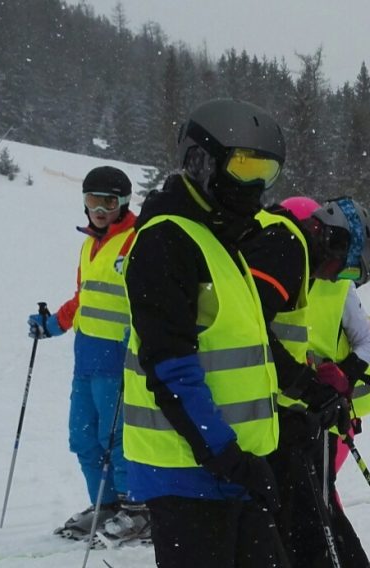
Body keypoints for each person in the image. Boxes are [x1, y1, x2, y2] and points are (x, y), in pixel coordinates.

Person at [122, 98, 346, 568]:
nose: (255, 187)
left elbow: (251, 351)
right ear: (200, 162)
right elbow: (170, 369)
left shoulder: (221, 241)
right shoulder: (168, 240)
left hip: (233, 471)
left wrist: (306, 391)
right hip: (188, 477)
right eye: (243, 168)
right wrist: (228, 458)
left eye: (265, 173)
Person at [243, 195, 370, 568]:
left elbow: (365, 342)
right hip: (265, 417)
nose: (339, 279)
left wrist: (326, 385)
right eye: (347, 269)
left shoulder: (304, 263)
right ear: (332, 242)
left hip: (288, 415)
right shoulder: (284, 250)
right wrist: (307, 387)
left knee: (309, 510)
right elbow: (251, 335)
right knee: (297, 517)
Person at [29, 166, 148, 546]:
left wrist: (140, 330)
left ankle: (137, 510)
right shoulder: (89, 244)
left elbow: (149, 299)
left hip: (119, 360)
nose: (99, 209)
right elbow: (85, 298)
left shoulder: (136, 241)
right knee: (83, 438)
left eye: (108, 202)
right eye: (92, 200)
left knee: (115, 438)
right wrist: (53, 325)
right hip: (87, 359)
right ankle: (106, 504)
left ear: (124, 203)